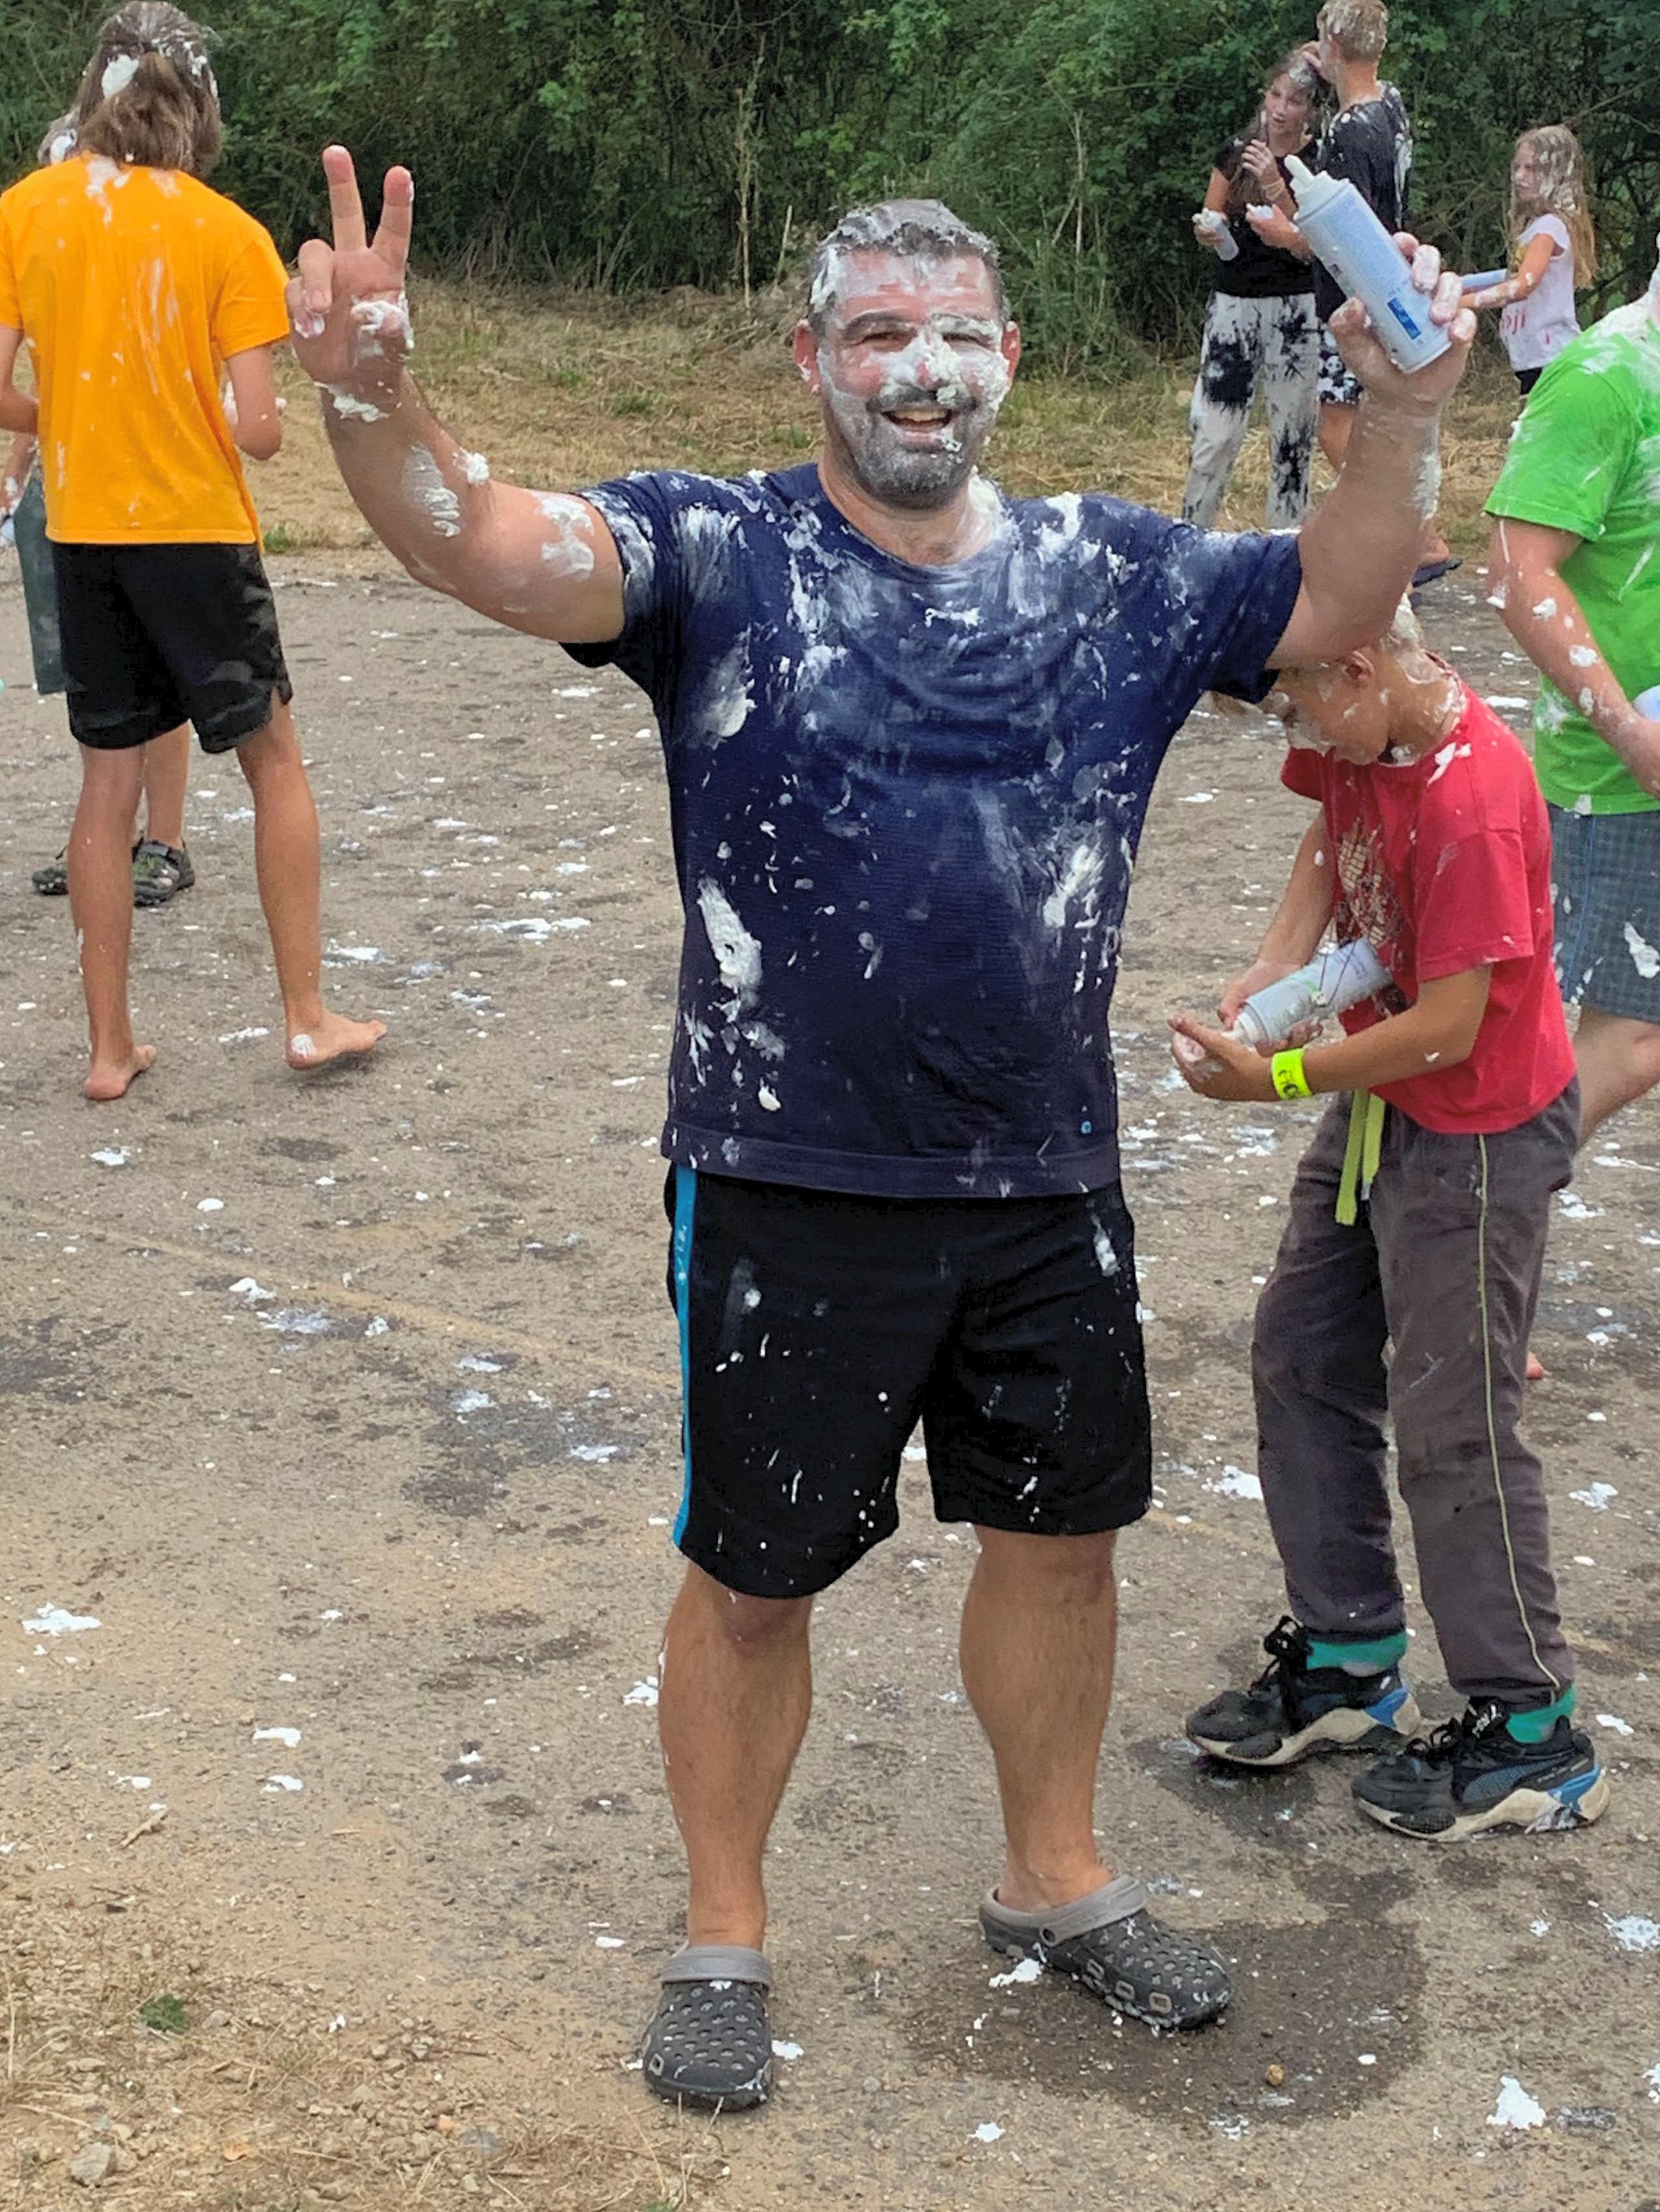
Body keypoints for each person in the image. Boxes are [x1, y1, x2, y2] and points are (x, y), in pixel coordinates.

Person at [287, 142, 1471, 2103]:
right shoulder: (718, 551)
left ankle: (1053, 1877)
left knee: (1063, 1546)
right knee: (755, 1580)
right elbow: (483, 540)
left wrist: (1408, 408)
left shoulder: (1114, 572)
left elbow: (1345, 586)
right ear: (808, 358)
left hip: (1042, 1172)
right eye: (873, 333)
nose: (918, 369)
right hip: (786, 1172)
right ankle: (722, 1933)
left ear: (1007, 356)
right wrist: (368, 394)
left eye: (952, 334)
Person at [1169, 600, 1605, 1840]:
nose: (1303, 732)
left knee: (1455, 1419)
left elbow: (1449, 1027)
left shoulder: (1474, 796)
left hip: (1474, 1132)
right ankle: (1348, 1653)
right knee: (1302, 1352)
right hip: (1388, 1107)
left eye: (1306, 705)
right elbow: (1331, 830)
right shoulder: (1370, 735)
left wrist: (1277, 1075)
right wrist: (1277, 964)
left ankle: (1530, 1725)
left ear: (1361, 668)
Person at [0, 3, 385, 1099]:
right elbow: (258, 430)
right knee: (274, 762)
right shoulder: (226, 233)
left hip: (85, 535)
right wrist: (194, 409)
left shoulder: (25, 212)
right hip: (199, 534)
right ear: (200, 105)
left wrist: (71, 418)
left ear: (94, 91)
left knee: (105, 786)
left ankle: (108, 1048)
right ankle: (305, 1015)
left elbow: (2, 392)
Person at [1483, 239, 1660, 1150]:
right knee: (1628, 1036)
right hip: (1624, 770)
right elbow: (1518, 573)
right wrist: (1628, 730)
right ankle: (1480, 1197)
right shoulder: (1604, 376)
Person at [1248, 2, 1455, 585]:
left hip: (1353, 295)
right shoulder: (1390, 105)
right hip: (1396, 281)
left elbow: (1342, 228)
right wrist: (1332, 60)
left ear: (1334, 46)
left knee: (1337, 423)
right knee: (1378, 419)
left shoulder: (1345, 132)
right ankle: (1419, 534)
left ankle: (1417, 537)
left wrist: (1285, 232)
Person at [7, 431, 194, 906]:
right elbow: (43, 395)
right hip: (67, 485)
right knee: (89, 667)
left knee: (157, 662)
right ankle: (113, 833)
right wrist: (17, 471)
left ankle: (166, 839)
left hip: (147, 474)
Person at [1182, 53, 1323, 530]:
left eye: (1295, 101)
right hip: (1234, 303)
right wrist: (1210, 230)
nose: (1280, 109)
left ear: (1311, 110)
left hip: (1296, 307)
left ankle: (1285, 545)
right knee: (1215, 434)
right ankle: (1192, 536)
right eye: (1275, 95)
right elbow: (1211, 214)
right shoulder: (1236, 151)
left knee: (1292, 439)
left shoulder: (1317, 160)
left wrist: (1273, 181)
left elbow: (1315, 239)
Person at [1466, 128, 1595, 397]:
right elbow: (1513, 276)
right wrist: (1461, 285)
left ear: (1556, 174)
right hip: (1536, 360)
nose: (1519, 177)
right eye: (1517, 167)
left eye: (1531, 169)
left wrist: (1461, 303)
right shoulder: (1536, 227)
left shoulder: (1549, 228)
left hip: (1551, 357)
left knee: (1534, 424)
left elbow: (1523, 285)